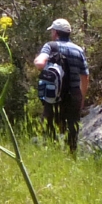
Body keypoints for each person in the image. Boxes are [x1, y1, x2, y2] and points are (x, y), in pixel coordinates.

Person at [33, 19, 90, 155]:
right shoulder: (78, 50)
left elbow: (40, 63)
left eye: (52, 31)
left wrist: (37, 60)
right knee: (72, 128)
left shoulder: (50, 46)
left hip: (54, 94)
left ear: (55, 32)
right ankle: (72, 155)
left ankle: (52, 155)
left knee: (50, 126)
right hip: (74, 94)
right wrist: (81, 98)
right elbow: (85, 76)